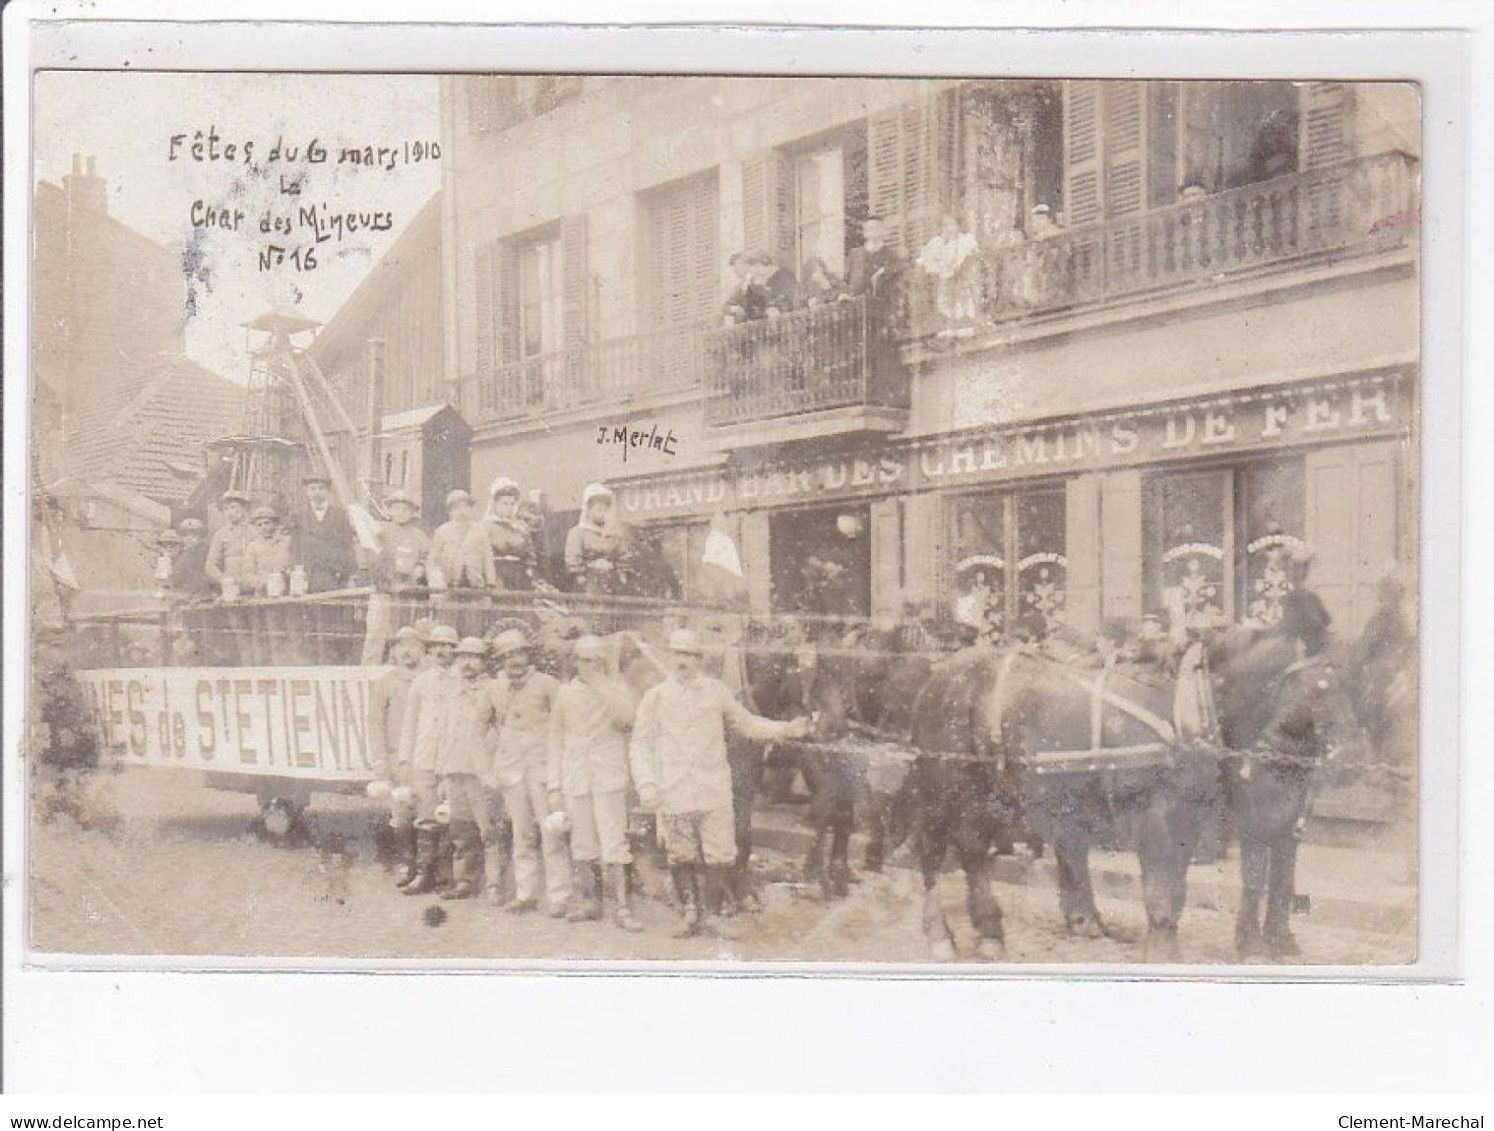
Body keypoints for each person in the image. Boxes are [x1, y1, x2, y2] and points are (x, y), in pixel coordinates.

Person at [629, 628, 809, 937]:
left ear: (699, 659)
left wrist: (786, 728)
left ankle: (711, 915)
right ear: (670, 657)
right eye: (677, 654)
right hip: (674, 788)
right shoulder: (655, 697)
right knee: (680, 853)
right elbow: (640, 744)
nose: (682, 660)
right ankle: (689, 914)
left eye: (688, 654)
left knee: (720, 852)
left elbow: (748, 723)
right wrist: (646, 783)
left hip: (712, 786)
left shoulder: (716, 692)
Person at [548, 634, 640, 931]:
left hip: (607, 773)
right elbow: (556, 739)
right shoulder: (564, 694)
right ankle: (591, 901)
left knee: (613, 840)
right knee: (582, 841)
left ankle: (623, 907)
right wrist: (554, 785)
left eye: (593, 660)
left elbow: (628, 719)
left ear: (602, 661)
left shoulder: (616, 689)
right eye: (581, 660)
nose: (586, 666)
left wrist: (602, 685)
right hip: (576, 775)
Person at [488, 628, 570, 916]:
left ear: (529, 655)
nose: (515, 660)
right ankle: (526, 894)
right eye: (508, 656)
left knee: (552, 833)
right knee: (522, 834)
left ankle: (559, 895)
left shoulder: (548, 685)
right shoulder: (494, 688)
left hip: (543, 769)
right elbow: (480, 728)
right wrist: (490, 768)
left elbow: (564, 726)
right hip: (512, 771)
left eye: (520, 653)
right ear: (500, 660)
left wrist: (559, 768)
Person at [395, 623, 459, 895]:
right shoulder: (421, 682)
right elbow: (410, 723)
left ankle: (447, 878)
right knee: (425, 816)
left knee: (450, 817)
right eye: (438, 646)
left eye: (448, 646)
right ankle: (423, 873)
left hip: (453, 759)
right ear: (430, 650)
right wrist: (405, 759)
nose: (443, 651)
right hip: (424, 757)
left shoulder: (462, 679)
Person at [437, 637, 501, 901]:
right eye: (462, 657)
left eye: (474, 657)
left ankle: (494, 885)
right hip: (454, 769)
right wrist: (443, 773)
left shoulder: (495, 690)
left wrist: (492, 768)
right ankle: (464, 880)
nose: (467, 663)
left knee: (489, 830)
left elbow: (499, 732)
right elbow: (444, 732)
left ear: (485, 662)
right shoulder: (451, 691)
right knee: (460, 831)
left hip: (481, 772)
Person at [367, 625, 427, 886]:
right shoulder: (384, 684)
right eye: (401, 646)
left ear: (422, 651)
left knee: (429, 814)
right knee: (401, 816)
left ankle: (428, 868)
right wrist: (380, 760)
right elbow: (375, 723)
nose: (407, 651)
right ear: (393, 651)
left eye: (413, 645)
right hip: (396, 759)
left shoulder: (430, 680)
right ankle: (406, 863)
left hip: (426, 758)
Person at [287, 473, 358, 593]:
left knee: (333, 609)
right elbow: (294, 547)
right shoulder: (298, 515)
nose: (316, 492)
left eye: (321, 488)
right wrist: (295, 571)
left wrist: (349, 574)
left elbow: (348, 545)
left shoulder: (340, 515)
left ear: (327, 491)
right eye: (312, 489)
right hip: (308, 575)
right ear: (307, 491)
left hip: (334, 574)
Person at [465, 476, 537, 592]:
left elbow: (530, 554)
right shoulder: (484, 527)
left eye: (512, 504)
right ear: (495, 505)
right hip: (495, 575)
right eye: (505, 504)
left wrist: (529, 570)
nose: (509, 508)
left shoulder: (521, 527)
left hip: (519, 577)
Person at [916, 213, 981, 338]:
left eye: (952, 224)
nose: (949, 228)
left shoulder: (966, 240)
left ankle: (965, 327)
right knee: (945, 302)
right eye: (945, 225)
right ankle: (950, 328)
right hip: (944, 278)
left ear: (958, 226)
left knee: (963, 300)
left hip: (963, 277)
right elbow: (924, 260)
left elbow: (972, 256)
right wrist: (940, 267)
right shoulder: (937, 242)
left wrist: (960, 267)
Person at [564, 482, 624, 595]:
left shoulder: (613, 534)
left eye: (605, 510)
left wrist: (621, 573)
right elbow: (573, 558)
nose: (602, 514)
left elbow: (622, 555)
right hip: (588, 583)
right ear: (589, 510)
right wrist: (581, 577)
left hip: (611, 582)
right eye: (598, 509)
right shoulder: (578, 532)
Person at [374, 490, 430, 590]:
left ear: (412, 513)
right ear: (390, 511)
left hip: (412, 585)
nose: (401, 512)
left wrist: (421, 567)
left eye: (405, 509)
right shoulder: (381, 532)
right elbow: (375, 557)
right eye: (397, 508)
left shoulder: (420, 536)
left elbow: (426, 557)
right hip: (385, 585)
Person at [204, 490, 253, 595]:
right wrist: (224, 580)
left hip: (254, 588)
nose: (230, 512)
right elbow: (210, 566)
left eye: (234, 507)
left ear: (244, 508)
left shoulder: (255, 532)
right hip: (231, 589)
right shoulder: (220, 535)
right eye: (226, 509)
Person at [428, 488, 477, 589]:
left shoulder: (479, 530)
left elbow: (487, 557)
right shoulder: (441, 531)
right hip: (449, 581)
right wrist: (436, 580)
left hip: (474, 582)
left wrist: (490, 582)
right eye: (456, 508)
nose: (461, 511)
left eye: (465, 507)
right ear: (449, 512)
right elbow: (433, 560)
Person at [242, 506, 292, 595]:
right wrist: (263, 582)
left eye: (266, 523)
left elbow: (293, 567)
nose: (263, 527)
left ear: (275, 524)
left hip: (287, 592)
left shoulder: (286, 543)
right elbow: (247, 575)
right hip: (263, 594)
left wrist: (287, 575)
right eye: (259, 525)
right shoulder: (252, 547)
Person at [170, 517, 212, 598]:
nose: (189, 538)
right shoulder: (180, 554)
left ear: (201, 537)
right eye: (185, 535)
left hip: (202, 596)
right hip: (183, 595)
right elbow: (175, 579)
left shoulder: (205, 554)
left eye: (194, 535)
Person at [722, 251, 767, 325]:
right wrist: (735, 309)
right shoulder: (741, 285)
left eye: (737, 266)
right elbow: (725, 307)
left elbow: (761, 306)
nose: (735, 270)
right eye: (733, 267)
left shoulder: (758, 281)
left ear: (746, 266)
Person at [752, 251, 800, 317]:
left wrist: (770, 305)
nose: (756, 272)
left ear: (766, 265)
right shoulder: (768, 280)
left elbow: (787, 300)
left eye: (757, 267)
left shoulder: (784, 274)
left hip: (792, 314)